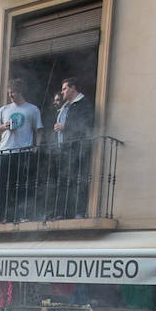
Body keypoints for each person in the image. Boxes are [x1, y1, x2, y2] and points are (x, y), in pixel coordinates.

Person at [0, 78, 43, 222]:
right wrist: (3, 126)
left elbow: (38, 130)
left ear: (20, 92)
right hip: (5, 152)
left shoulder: (32, 109)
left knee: (21, 186)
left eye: (13, 93)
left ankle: (20, 215)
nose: (11, 96)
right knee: (1, 187)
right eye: (9, 93)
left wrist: (36, 147)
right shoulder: (4, 110)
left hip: (23, 152)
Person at [51, 77, 95, 218]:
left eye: (64, 89)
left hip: (78, 148)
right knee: (64, 181)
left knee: (77, 180)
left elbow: (86, 124)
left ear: (73, 88)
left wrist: (66, 127)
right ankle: (62, 212)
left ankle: (79, 212)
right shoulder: (66, 107)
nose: (62, 92)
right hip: (64, 149)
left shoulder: (84, 104)